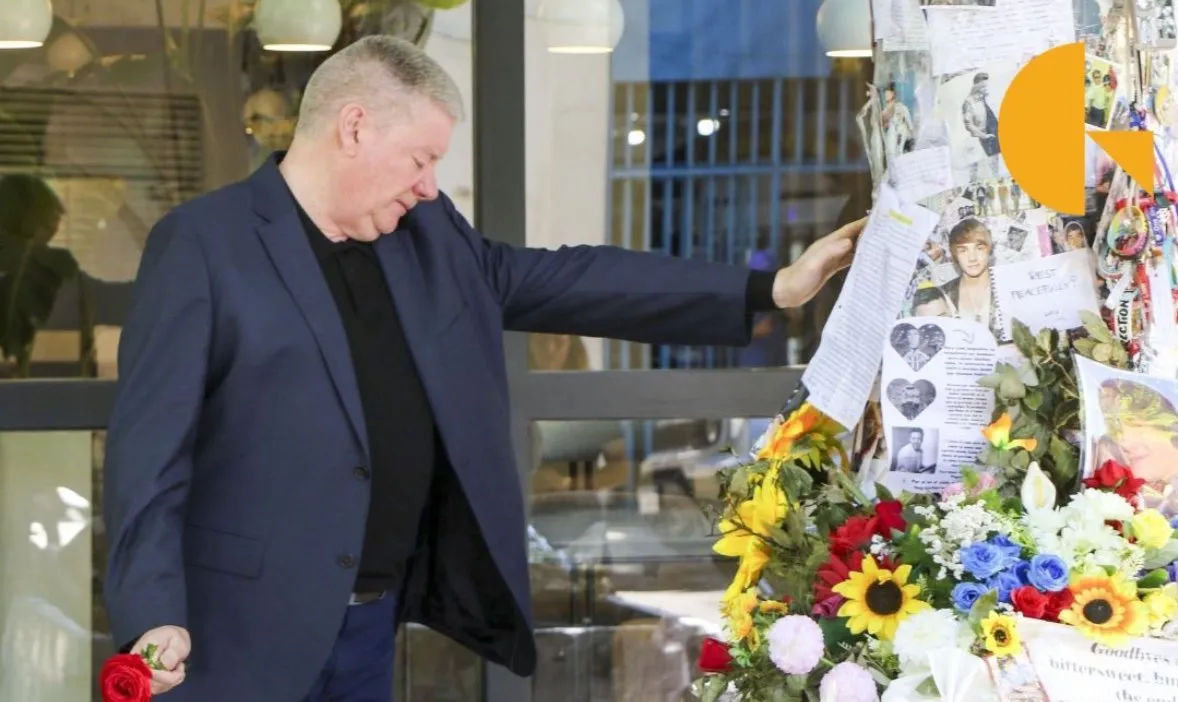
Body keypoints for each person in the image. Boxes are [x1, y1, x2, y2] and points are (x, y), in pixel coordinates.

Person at [102, 36, 866, 702]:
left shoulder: (425, 236)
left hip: (370, 624)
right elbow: (150, 453)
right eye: (421, 158)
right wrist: (152, 612)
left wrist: (770, 288)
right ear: (355, 127)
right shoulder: (204, 245)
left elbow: (568, 280)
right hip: (233, 634)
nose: (429, 184)